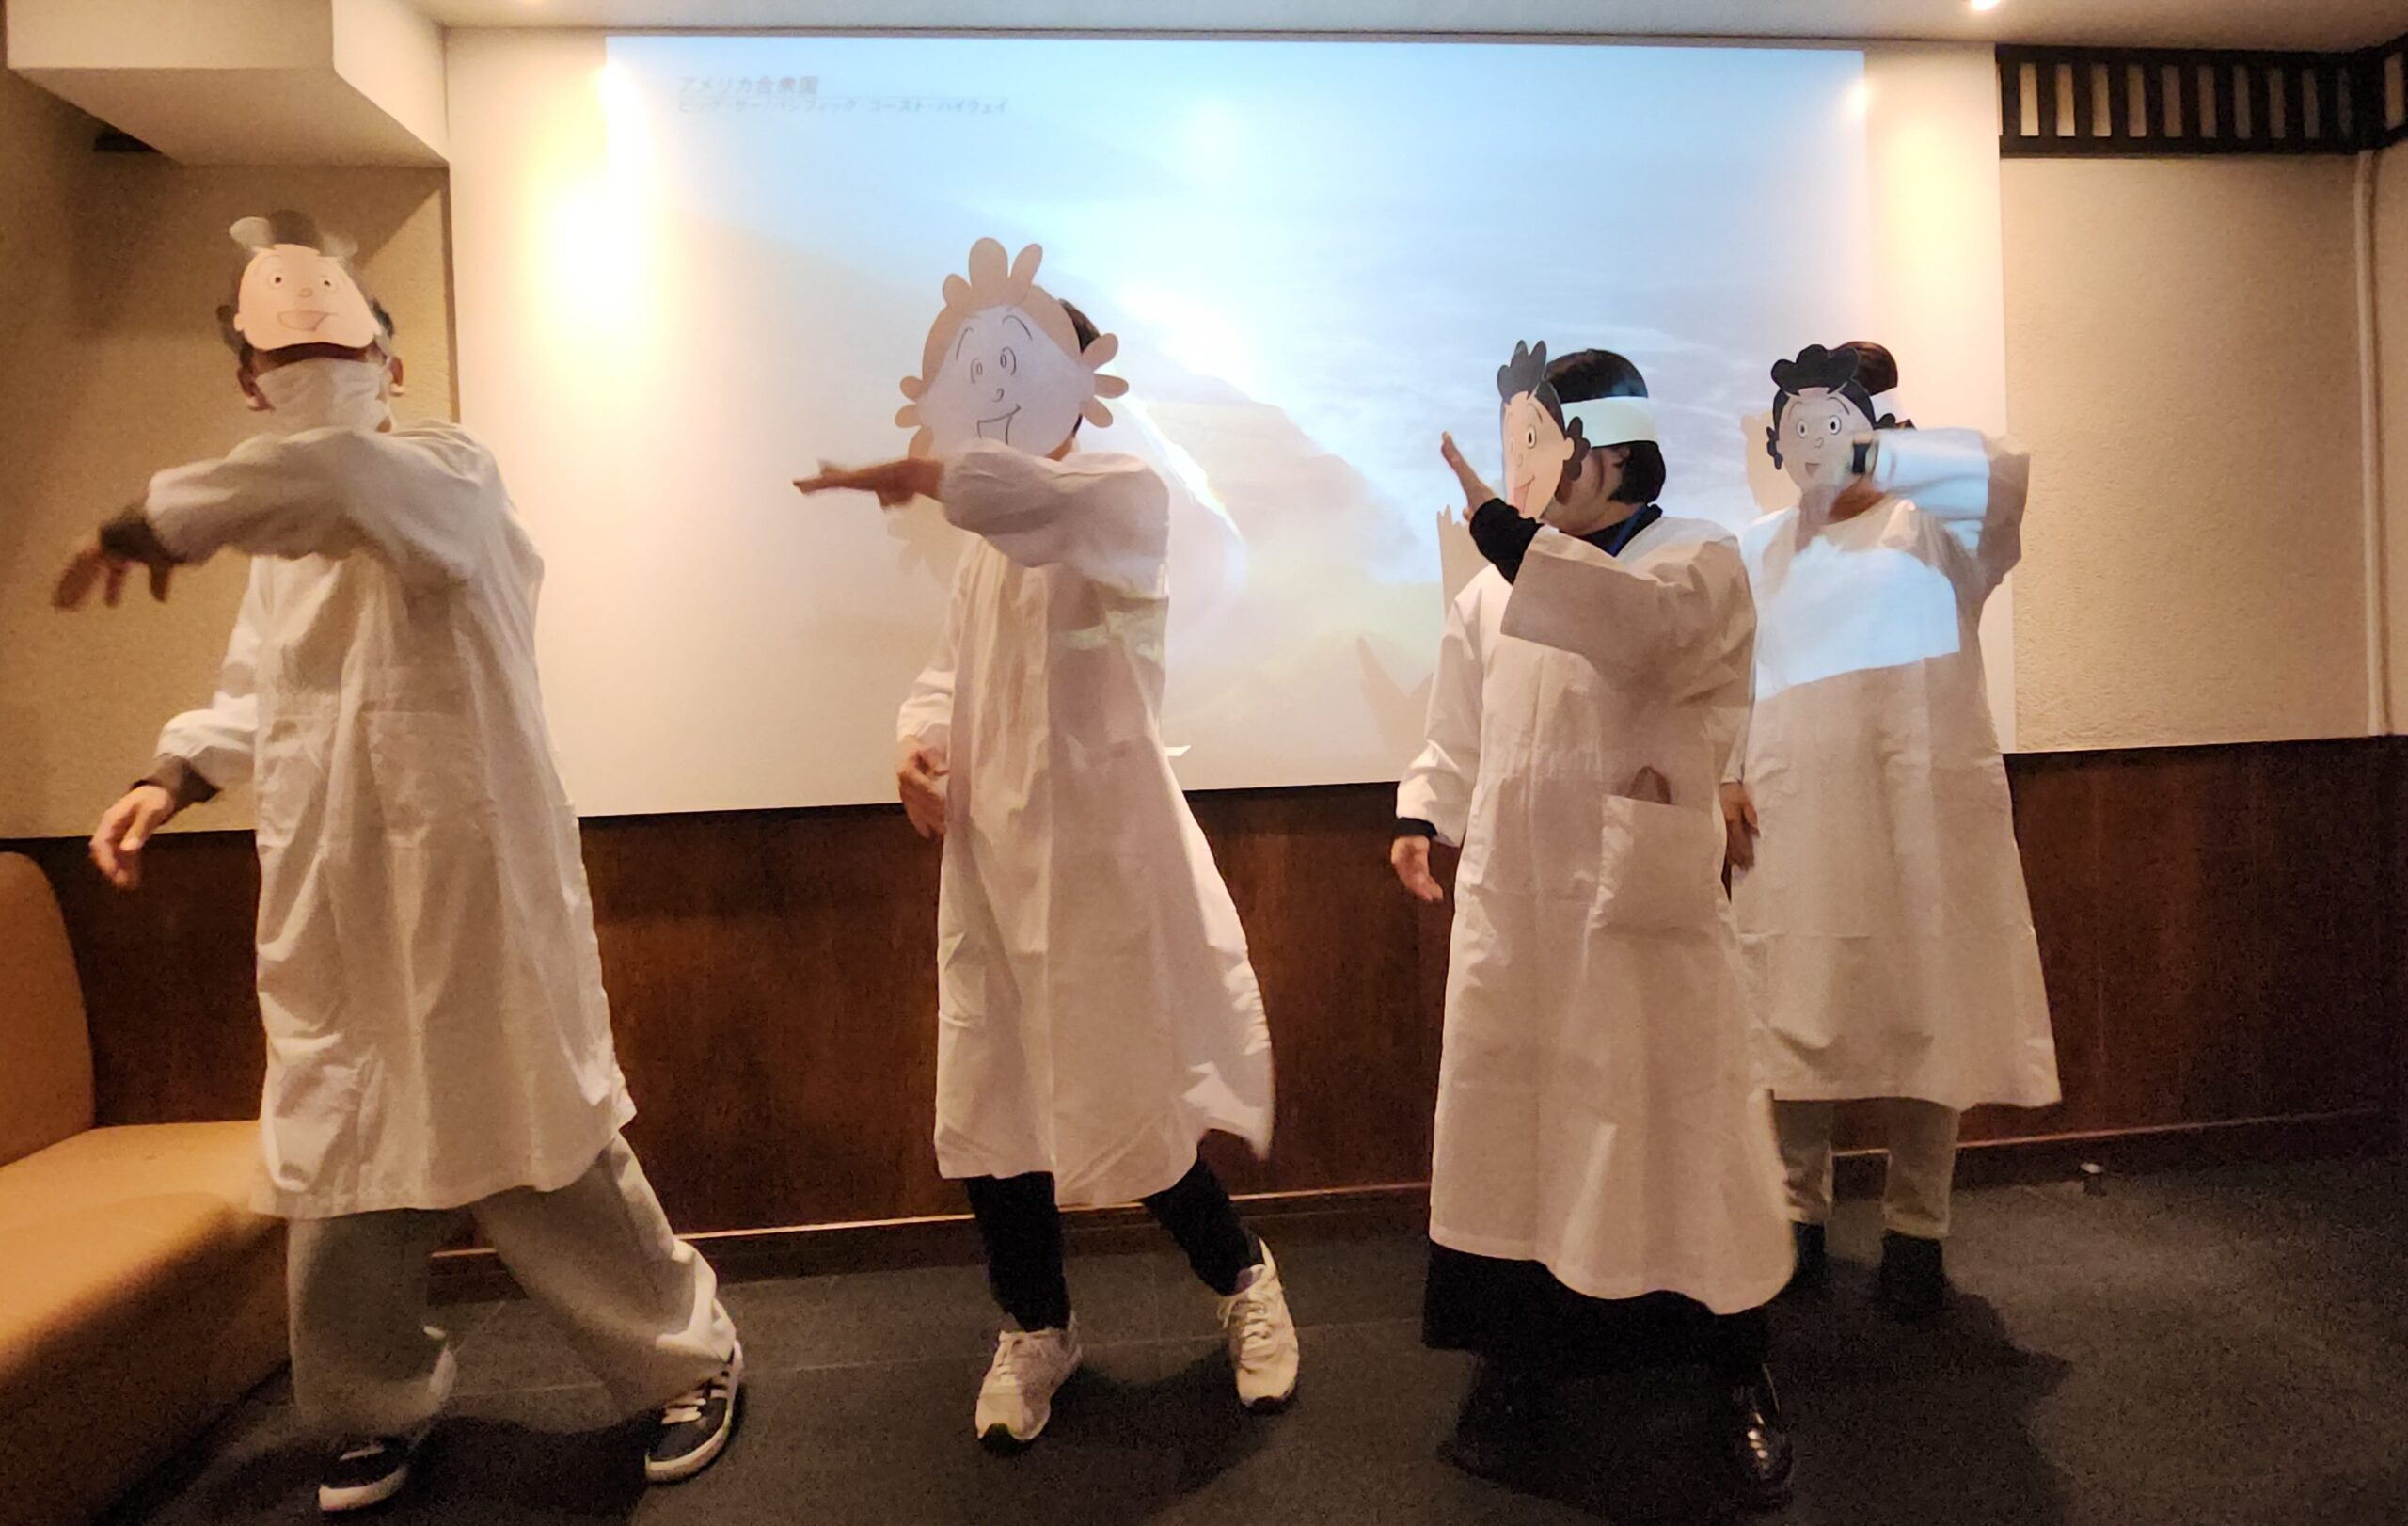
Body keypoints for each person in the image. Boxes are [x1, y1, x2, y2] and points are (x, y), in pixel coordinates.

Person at [54, 212, 742, 1515]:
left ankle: (686, 1361)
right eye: (284, 358)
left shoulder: (446, 475)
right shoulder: (282, 547)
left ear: (394, 365)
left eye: (342, 347)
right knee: (343, 1163)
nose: (316, 376)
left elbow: (336, 480)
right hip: (336, 896)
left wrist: (157, 516)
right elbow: (261, 690)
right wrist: (172, 772)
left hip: (470, 888)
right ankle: (372, 1403)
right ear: (247, 382)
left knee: (542, 1146)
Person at [793, 239, 1298, 1451]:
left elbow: (1031, 506)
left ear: (1077, 386)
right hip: (993, 866)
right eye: (982, 376)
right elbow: (947, 675)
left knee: (1132, 1097)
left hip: (1102, 867)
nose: (997, 400)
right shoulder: (980, 554)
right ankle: (1035, 1325)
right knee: (995, 1111)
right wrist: (914, 749)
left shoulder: (1121, 494)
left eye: (1016, 372)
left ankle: (1244, 1279)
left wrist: (915, 470)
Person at [1395, 342, 1795, 1511]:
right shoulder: (1489, 593)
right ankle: (1520, 1367)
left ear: (1608, 450)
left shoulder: (1694, 560)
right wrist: (1423, 812)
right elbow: (1455, 726)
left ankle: (1736, 1370)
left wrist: (1513, 541)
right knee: (1520, 1131)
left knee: (1685, 1121)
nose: (1525, 472)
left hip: (1640, 904)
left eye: (1543, 445)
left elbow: (1645, 634)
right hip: (1520, 910)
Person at [1722, 342, 2059, 1319]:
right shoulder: (1756, 547)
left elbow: (2004, 472)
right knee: (1795, 1012)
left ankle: (1918, 1229)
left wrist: (1889, 454)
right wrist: (1724, 773)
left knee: (1927, 1012)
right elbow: (1725, 673)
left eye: (1835, 424)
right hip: (1791, 809)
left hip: (1919, 816)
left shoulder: (1937, 529)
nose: (1816, 445)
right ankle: (1797, 1219)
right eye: (1799, 428)